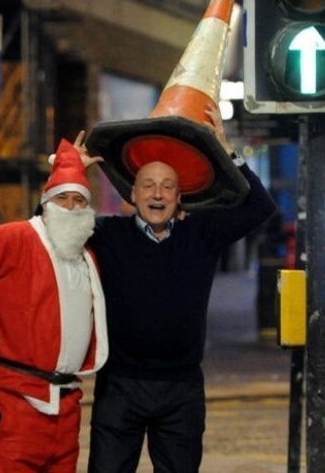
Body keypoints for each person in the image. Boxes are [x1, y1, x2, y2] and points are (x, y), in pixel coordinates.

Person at [80, 111, 278, 472]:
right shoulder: (108, 234)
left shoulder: (201, 234)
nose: (157, 193)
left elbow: (260, 207)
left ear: (179, 195)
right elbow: (48, 225)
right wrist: (70, 174)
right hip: (120, 387)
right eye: (148, 185)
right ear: (133, 193)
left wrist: (225, 151)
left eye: (167, 186)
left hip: (181, 388)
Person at [0, 139, 108, 472]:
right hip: (15, 397)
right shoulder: (13, 237)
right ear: (46, 203)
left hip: (66, 402)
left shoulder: (86, 255)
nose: (71, 207)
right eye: (62, 198)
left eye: (79, 200)